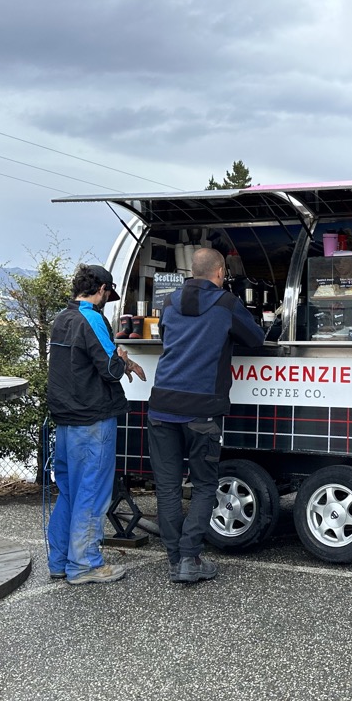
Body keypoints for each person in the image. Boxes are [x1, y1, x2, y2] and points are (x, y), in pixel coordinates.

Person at [148, 247, 266, 583]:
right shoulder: (226, 304)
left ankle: (175, 559)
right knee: (203, 486)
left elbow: (166, 338)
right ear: (219, 273)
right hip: (201, 410)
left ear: (192, 271)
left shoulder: (168, 303)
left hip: (161, 406)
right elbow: (256, 340)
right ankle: (189, 558)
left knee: (168, 488)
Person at [47, 263, 145, 585]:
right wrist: (121, 357)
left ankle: (60, 560)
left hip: (66, 420)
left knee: (70, 491)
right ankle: (85, 563)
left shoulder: (62, 319)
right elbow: (110, 369)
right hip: (93, 420)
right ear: (101, 289)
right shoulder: (92, 318)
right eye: (108, 294)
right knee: (92, 492)